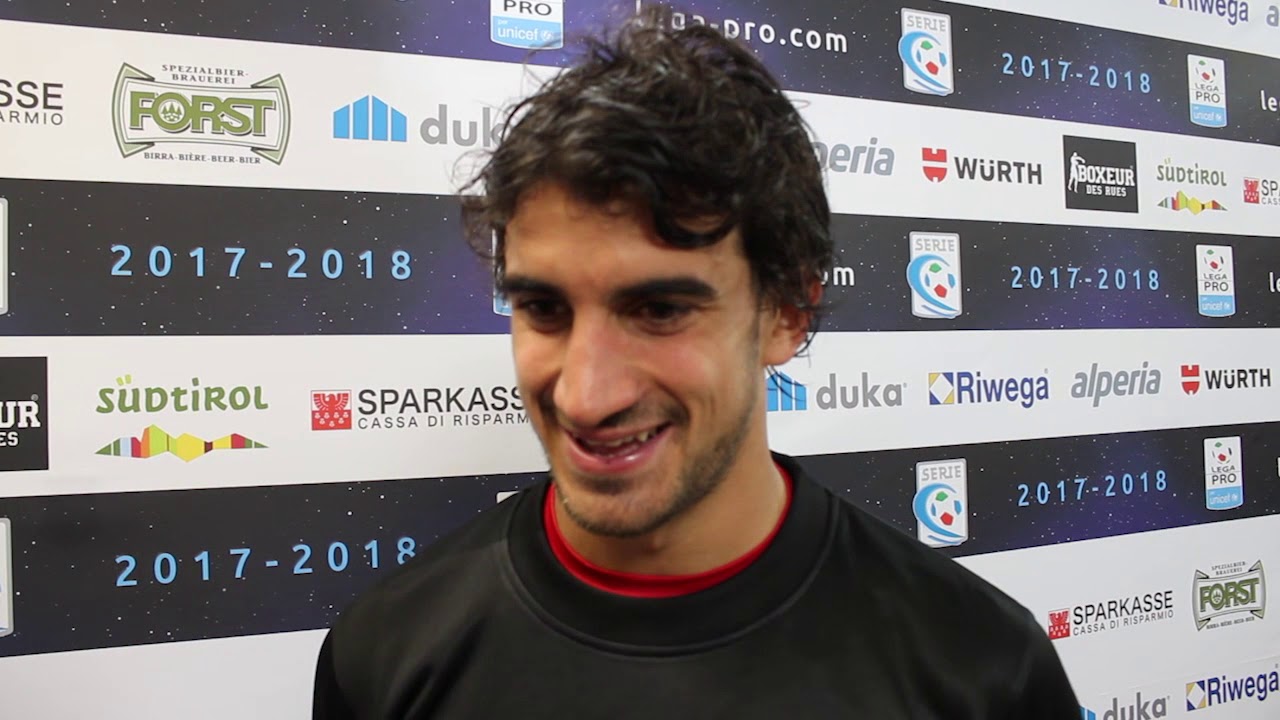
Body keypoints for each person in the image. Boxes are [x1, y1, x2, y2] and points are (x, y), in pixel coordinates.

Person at [312, 5, 1082, 718]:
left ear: (788, 312)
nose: (585, 395)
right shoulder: (384, 656)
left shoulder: (981, 671)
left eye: (659, 310)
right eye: (544, 308)